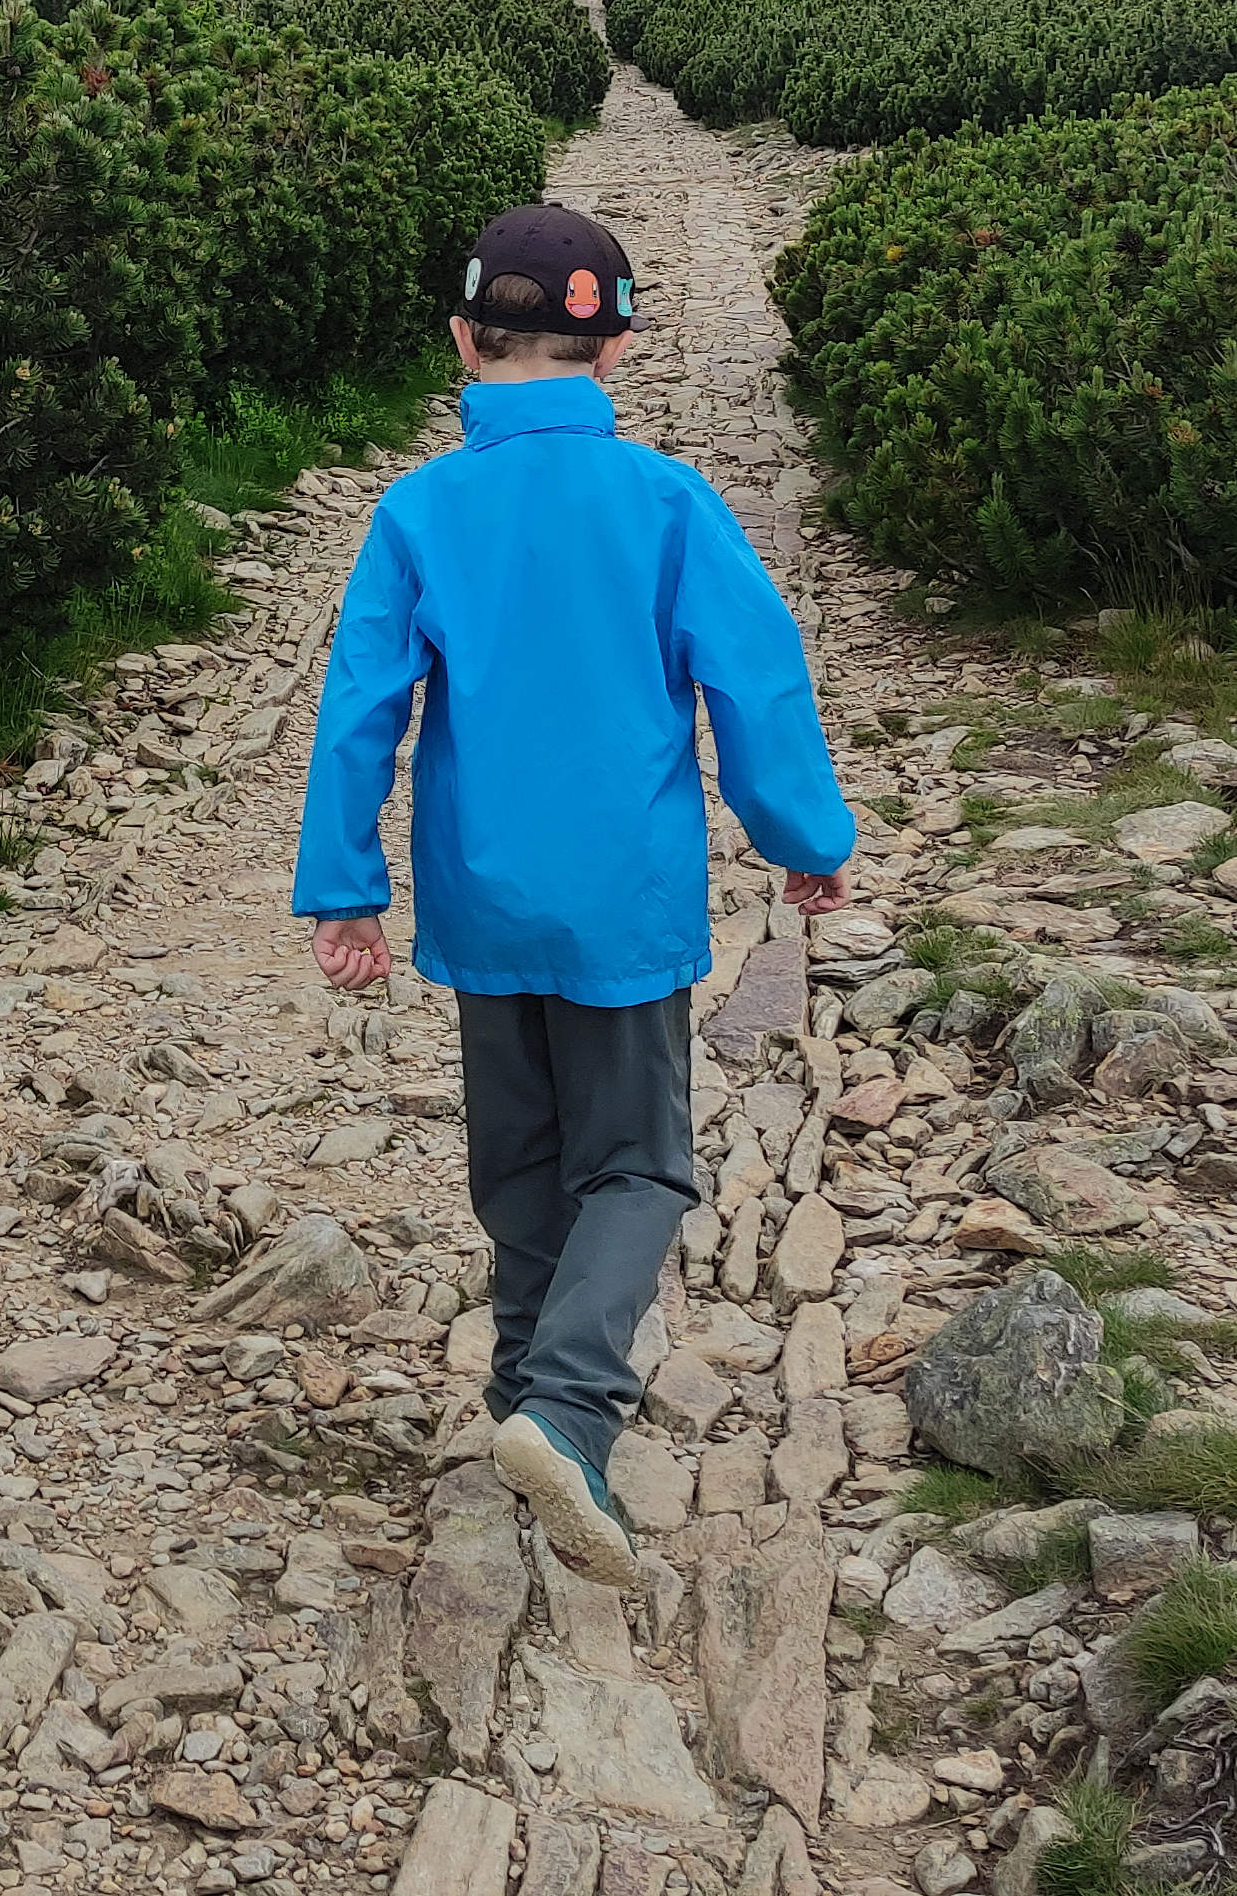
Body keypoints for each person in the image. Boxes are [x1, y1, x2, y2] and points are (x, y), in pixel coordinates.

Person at [290, 202, 855, 1588]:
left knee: (523, 1158)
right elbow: (755, 682)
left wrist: (346, 887)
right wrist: (804, 836)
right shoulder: (666, 501)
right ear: (613, 347)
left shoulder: (418, 509)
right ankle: (570, 1406)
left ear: (462, 338)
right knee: (644, 1161)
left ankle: (520, 1406)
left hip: (480, 900)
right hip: (623, 899)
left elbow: (360, 708)